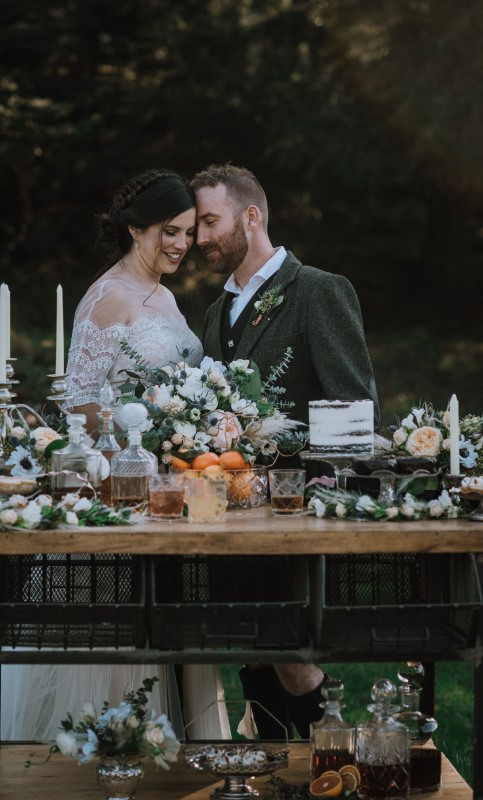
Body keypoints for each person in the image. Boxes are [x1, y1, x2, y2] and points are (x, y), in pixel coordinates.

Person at [0, 170, 229, 800]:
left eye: (189, 234)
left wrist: (192, 425)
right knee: (112, 645)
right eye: (170, 232)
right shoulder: (105, 298)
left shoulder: (165, 299)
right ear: (136, 227)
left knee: (168, 629)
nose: (180, 245)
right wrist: (148, 427)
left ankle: (166, 772)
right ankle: (97, 771)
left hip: (168, 495)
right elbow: (78, 406)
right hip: (116, 491)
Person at [191, 163, 379, 741]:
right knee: (252, 653)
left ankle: (336, 759)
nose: (200, 239)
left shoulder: (318, 290)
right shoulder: (214, 313)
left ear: (251, 217)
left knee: (291, 659)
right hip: (226, 514)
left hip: (294, 519)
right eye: (196, 226)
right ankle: (274, 770)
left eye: (209, 222)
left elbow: (356, 407)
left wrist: (328, 482)